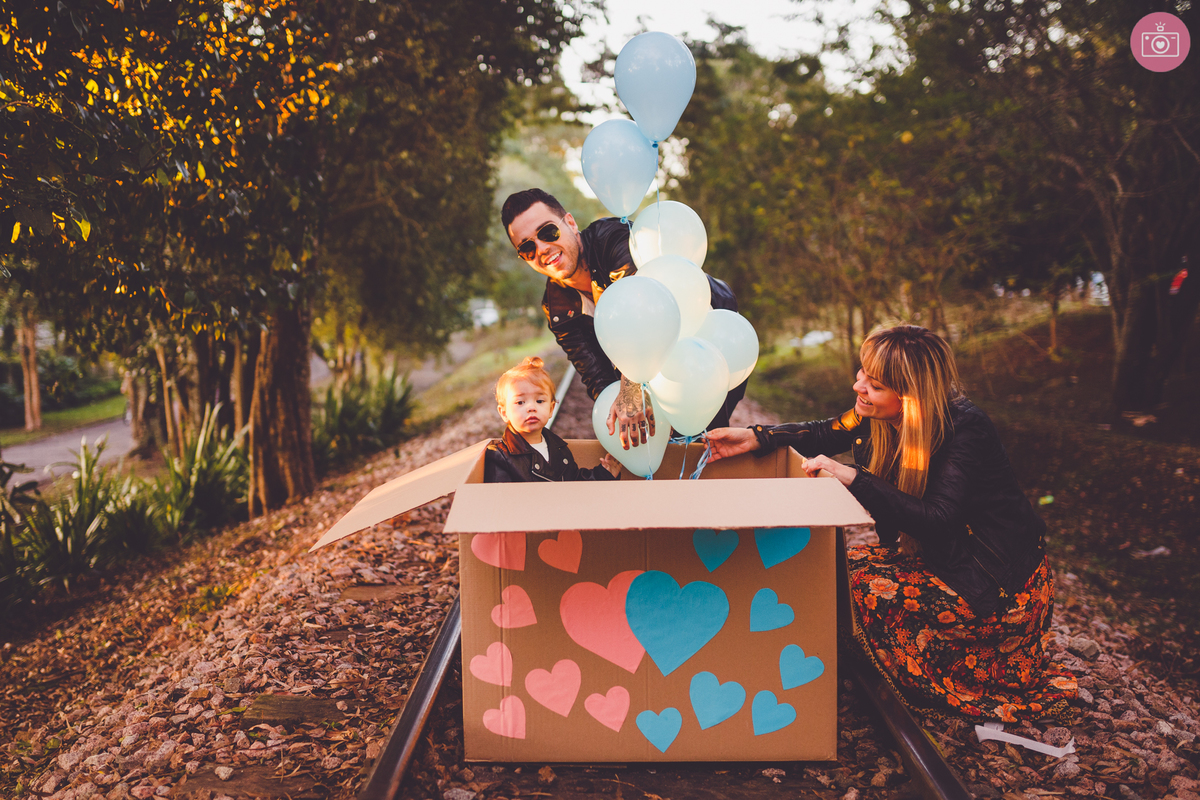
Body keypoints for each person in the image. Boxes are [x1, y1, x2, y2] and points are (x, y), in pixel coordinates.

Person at [706, 325, 1077, 722]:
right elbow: (824, 432)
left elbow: (937, 518)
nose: (858, 386)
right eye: (862, 373)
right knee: (843, 568)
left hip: (995, 586)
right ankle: (863, 661)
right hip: (948, 561)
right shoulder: (879, 414)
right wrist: (756, 437)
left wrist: (851, 477)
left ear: (910, 395)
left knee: (864, 587)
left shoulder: (965, 430)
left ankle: (936, 670)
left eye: (874, 384)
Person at [501, 188, 746, 451]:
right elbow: (595, 375)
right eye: (527, 248)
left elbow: (641, 307)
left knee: (704, 439)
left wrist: (631, 390)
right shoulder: (556, 307)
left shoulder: (614, 239)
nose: (542, 249)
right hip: (653, 357)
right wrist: (617, 412)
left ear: (570, 223)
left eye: (548, 232)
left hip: (710, 335)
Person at [484, 357, 622, 483]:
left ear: (551, 409)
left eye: (539, 401)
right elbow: (501, 502)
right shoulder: (500, 457)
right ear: (504, 413)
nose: (531, 407)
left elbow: (574, 483)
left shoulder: (559, 448)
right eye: (520, 402)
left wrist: (603, 474)